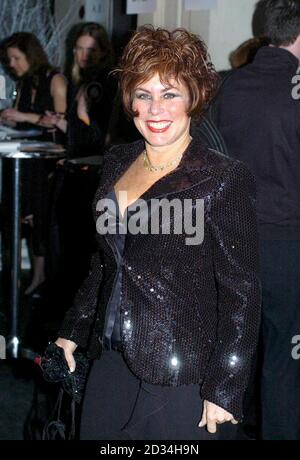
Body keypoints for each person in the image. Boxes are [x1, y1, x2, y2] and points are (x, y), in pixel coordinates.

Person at [53, 26, 261, 440]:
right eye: (143, 95)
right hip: (109, 359)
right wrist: (73, 330)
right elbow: (103, 260)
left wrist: (225, 385)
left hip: (181, 370)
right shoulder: (116, 162)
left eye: (170, 94)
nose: (155, 109)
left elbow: (243, 291)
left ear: (194, 97)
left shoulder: (221, 177)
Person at [214, 0, 300, 440]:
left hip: (232, 243)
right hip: (289, 250)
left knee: (230, 359)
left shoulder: (226, 87)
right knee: (285, 365)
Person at [0, 32, 67, 296]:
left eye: (16, 58)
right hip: (27, 156)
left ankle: (40, 277)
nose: (12, 64)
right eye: (9, 59)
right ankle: (21, 275)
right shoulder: (25, 83)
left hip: (49, 160)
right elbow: (21, 120)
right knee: (16, 212)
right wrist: (8, 119)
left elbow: (59, 122)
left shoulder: (56, 80)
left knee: (40, 215)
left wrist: (22, 115)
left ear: (31, 55)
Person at [44, 22, 115, 159]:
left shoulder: (104, 84)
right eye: (79, 48)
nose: (84, 55)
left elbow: (98, 140)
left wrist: (82, 115)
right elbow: (78, 135)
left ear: (103, 52)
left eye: (91, 50)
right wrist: (59, 122)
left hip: (94, 164)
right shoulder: (78, 82)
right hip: (79, 159)